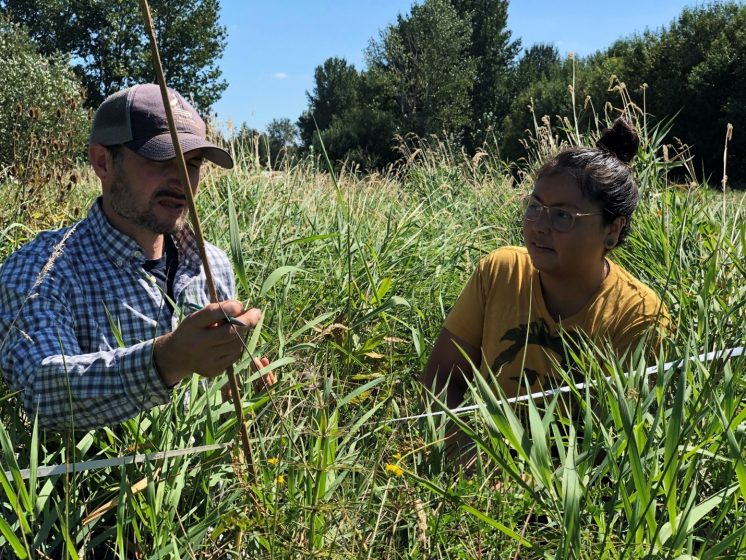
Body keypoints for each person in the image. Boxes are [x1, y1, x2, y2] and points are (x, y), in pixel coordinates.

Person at [0, 83, 272, 432]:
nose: (181, 180)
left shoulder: (212, 264)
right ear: (102, 162)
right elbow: (40, 391)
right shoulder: (42, 269)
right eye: (161, 158)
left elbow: (209, 402)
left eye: (191, 163)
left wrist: (234, 396)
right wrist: (168, 360)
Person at [422, 118, 667, 431]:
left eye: (563, 215)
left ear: (612, 230)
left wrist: (538, 479)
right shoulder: (499, 272)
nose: (538, 224)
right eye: (535, 206)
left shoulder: (639, 315)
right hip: (480, 462)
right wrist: (468, 456)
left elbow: (623, 441)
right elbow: (442, 376)